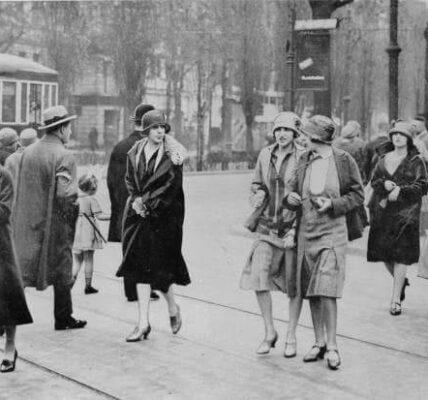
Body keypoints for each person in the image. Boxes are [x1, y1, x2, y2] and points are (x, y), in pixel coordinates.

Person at [284, 115, 365, 370]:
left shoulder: (343, 160)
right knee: (312, 290)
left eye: (306, 135)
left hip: (333, 233)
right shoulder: (303, 160)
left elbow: (358, 194)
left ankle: (332, 345)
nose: (302, 139)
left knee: (327, 288)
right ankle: (318, 342)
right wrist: (291, 198)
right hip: (307, 232)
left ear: (316, 138)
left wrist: (333, 204)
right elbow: (290, 190)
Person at [116, 110, 190, 342]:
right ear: (145, 130)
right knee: (139, 269)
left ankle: (172, 309)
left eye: (163, 128)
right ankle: (143, 323)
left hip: (163, 220)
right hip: (138, 218)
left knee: (160, 271)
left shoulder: (172, 155)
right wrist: (136, 200)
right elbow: (129, 179)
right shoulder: (135, 152)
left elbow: (171, 186)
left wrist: (147, 203)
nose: (160, 131)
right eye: (155, 128)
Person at [12, 105, 87, 331]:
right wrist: (75, 210)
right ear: (62, 129)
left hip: (27, 222)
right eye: (70, 127)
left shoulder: (28, 152)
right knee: (62, 269)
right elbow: (65, 194)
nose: (71, 131)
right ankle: (63, 318)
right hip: (55, 226)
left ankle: (5, 318)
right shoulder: (64, 156)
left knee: (22, 272)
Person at [240, 112, 304, 357]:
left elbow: (304, 196)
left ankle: (291, 334)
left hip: (291, 230)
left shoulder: (303, 157)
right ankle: (269, 331)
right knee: (259, 278)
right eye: (278, 130)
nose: (282, 134)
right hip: (267, 227)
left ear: (295, 133)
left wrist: (296, 230)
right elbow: (257, 183)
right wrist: (256, 194)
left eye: (287, 130)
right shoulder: (266, 154)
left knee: (293, 286)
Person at [367, 121, 428, 316]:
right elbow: (374, 180)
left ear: (409, 139)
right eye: (394, 134)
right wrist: (383, 184)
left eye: (402, 135)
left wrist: (401, 191)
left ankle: (395, 300)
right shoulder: (383, 158)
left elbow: (423, 185)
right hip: (383, 212)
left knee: (401, 254)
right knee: (384, 253)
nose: (397, 137)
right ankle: (401, 282)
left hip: (406, 213)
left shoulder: (416, 161)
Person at [107, 103, 159, 301]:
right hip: (147, 207)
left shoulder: (120, 146)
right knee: (148, 248)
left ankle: (130, 291)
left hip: (125, 207)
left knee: (129, 248)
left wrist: (118, 207)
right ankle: (147, 288)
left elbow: (111, 181)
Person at [0, 165, 33, 372]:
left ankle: (10, 347)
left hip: (0, 246)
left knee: (8, 297)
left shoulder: (3, 175)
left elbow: (4, 211)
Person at [72, 173, 110, 294]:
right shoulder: (91, 200)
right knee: (89, 259)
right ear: (92, 188)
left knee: (77, 260)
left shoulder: (76, 199)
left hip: (77, 232)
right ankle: (88, 286)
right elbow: (100, 216)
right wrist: (113, 217)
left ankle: (69, 284)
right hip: (88, 232)